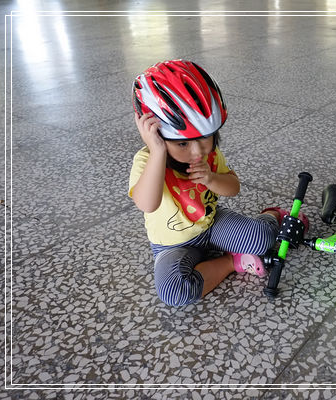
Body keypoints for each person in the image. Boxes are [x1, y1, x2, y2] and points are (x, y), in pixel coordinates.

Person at [128, 60, 307, 306]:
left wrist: (211, 178)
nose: (197, 151)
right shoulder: (146, 160)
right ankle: (231, 261)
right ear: (156, 136)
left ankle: (273, 215)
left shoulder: (209, 156)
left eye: (205, 139)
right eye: (182, 144)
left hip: (212, 225)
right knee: (174, 292)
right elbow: (147, 204)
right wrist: (157, 152)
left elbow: (233, 188)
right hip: (172, 246)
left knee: (263, 239)